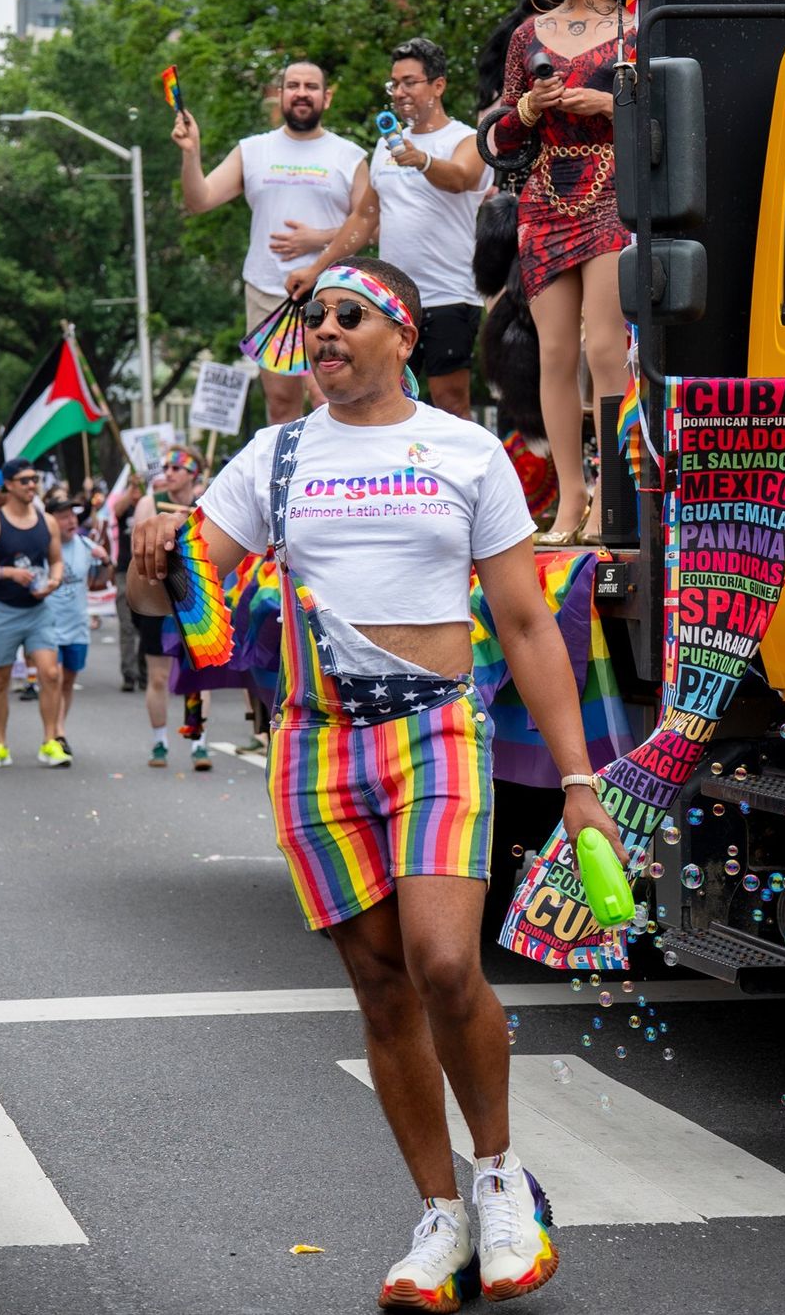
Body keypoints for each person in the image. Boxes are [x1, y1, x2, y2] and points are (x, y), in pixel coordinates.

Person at [129, 254, 626, 1311]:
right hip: (316, 747)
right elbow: (189, 594)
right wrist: (155, 553)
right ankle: (440, 1217)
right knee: (380, 983)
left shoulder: (465, 450)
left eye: (349, 315)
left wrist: (578, 777)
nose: (325, 331)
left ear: (403, 335)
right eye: (315, 317)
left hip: (436, 732)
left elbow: (526, 622)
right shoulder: (273, 457)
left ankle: (501, 1180)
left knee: (443, 961)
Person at [493, 0, 636, 543]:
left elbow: (663, 116)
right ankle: (569, 499)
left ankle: (611, 492)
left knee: (605, 347)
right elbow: (500, 136)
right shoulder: (530, 34)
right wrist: (527, 107)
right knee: (553, 354)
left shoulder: (633, 29)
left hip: (611, 193)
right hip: (545, 199)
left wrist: (608, 103)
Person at [288, 38, 493, 420]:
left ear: (438, 85)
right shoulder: (386, 147)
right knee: (383, 400)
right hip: (390, 302)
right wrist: (316, 270)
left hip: (448, 295)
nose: (399, 92)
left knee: (450, 402)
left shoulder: (463, 138)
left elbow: (462, 177)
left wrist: (422, 160)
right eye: (394, 84)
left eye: (409, 82)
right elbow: (364, 218)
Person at [172, 60, 368, 425]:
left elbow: (371, 225)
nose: (301, 93)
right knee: (280, 403)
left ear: (326, 97)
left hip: (330, 293)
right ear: (280, 95)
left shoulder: (350, 156)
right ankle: (287, 463)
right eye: (293, 86)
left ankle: (334, 461)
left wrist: (319, 238)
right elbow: (199, 200)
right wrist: (190, 151)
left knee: (327, 395)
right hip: (267, 293)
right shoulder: (253, 150)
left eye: (311, 87)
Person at [0, 458, 69, 768]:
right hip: (4, 610)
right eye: (25, 480)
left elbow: (56, 560)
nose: (31, 485)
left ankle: (50, 742)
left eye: (34, 479)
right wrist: (8, 573)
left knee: (50, 673)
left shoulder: (47, 522)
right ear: (9, 485)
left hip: (39, 610)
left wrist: (54, 581)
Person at [131, 445, 212, 771]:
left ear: (193, 474)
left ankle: (198, 741)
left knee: (198, 676)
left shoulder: (208, 502)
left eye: (177, 468)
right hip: (158, 599)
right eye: (166, 467)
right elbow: (139, 548)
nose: (169, 472)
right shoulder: (149, 503)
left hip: (194, 598)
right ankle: (160, 741)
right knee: (159, 676)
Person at [44, 496, 107, 755]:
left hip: (77, 625)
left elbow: (102, 580)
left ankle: (58, 727)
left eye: (72, 516)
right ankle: (56, 733)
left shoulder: (85, 545)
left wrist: (104, 560)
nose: (71, 521)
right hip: (48, 625)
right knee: (55, 677)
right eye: (63, 517)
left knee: (68, 681)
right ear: (50, 521)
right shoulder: (43, 547)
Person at [110, 469, 146, 691]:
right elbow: (117, 509)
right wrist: (132, 485)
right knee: (127, 626)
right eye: (133, 488)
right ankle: (129, 674)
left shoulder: (150, 506)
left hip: (146, 573)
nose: (136, 492)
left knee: (146, 626)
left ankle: (145, 672)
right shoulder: (126, 510)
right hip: (124, 572)